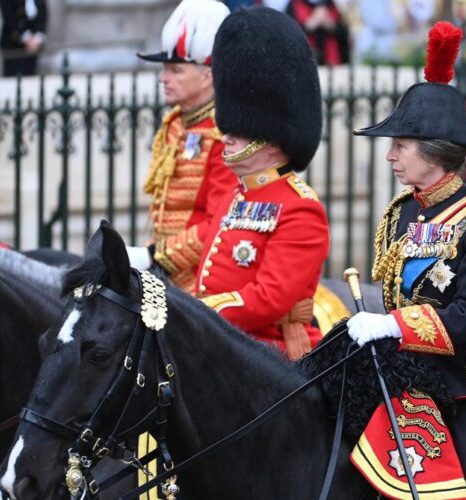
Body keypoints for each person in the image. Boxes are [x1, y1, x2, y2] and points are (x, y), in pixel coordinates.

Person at [350, 21, 466, 499]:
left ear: (434, 152)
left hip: (464, 372)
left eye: (401, 146)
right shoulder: (401, 211)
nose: (390, 156)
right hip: (397, 366)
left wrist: (395, 327)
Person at [195, 6, 329, 361]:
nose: (227, 138)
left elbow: (269, 299)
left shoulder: (301, 208)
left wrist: (199, 315)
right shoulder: (235, 195)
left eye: (240, 131)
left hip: (271, 357)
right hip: (222, 343)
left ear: (271, 139)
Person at [125, 0, 238, 294]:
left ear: (208, 75)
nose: (164, 78)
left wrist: (154, 255)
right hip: (168, 271)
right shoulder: (175, 123)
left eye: (176, 69)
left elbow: (219, 222)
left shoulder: (224, 134)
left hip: (206, 279)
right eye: (165, 69)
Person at [286, 0, 350, 65]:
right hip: (304, 63)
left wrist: (330, 25)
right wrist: (311, 23)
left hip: (333, 65)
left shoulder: (333, 5)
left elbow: (345, 34)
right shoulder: (294, 4)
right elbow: (288, 35)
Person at [0, 0, 47, 76]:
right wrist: (25, 38)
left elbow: (43, 14)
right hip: (13, 47)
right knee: (13, 78)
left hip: (33, 47)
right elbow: (8, 16)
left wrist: (38, 37)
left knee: (29, 78)